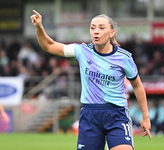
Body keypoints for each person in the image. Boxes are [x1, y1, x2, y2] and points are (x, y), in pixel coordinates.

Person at [31, 10, 151, 150]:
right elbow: (49, 45)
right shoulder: (82, 51)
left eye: (101, 28)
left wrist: (145, 116)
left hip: (117, 116)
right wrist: (39, 27)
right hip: (90, 116)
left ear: (112, 33)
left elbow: (137, 86)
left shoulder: (124, 57)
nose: (96, 31)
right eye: (92, 27)